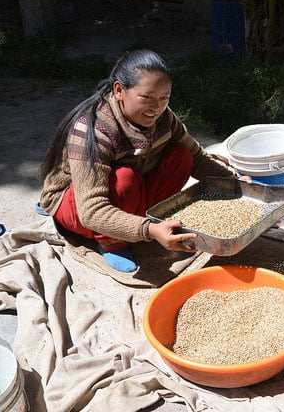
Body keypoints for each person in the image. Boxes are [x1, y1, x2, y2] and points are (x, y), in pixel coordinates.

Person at [39, 49, 239, 273]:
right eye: (147, 97)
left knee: (181, 156)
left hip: (131, 191)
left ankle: (138, 219)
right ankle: (111, 241)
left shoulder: (164, 118)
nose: (157, 107)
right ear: (119, 91)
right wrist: (149, 231)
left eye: (164, 98)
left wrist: (234, 183)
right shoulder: (94, 130)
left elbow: (196, 156)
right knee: (124, 178)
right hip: (78, 206)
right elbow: (92, 211)